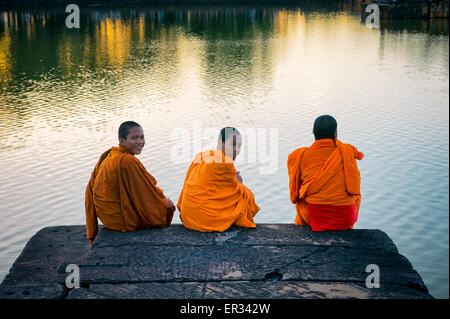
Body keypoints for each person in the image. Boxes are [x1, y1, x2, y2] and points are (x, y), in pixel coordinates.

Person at [85, 121, 175, 244]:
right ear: (122, 140)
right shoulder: (127, 161)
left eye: (142, 137)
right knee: (167, 207)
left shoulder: (110, 155)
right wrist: (164, 204)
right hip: (121, 222)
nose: (140, 142)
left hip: (107, 219)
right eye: (134, 138)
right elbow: (147, 196)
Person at [287, 115, 364, 231]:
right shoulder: (346, 152)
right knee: (356, 194)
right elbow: (355, 186)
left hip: (312, 218)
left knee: (302, 196)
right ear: (335, 133)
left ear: (313, 132)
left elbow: (294, 194)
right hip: (344, 219)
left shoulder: (298, 156)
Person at [177, 127, 260, 232]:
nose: (236, 150)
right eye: (233, 144)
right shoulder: (226, 163)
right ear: (221, 143)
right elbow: (235, 194)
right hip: (205, 220)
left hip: (188, 216)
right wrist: (239, 183)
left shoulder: (201, 155)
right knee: (246, 196)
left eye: (239, 146)